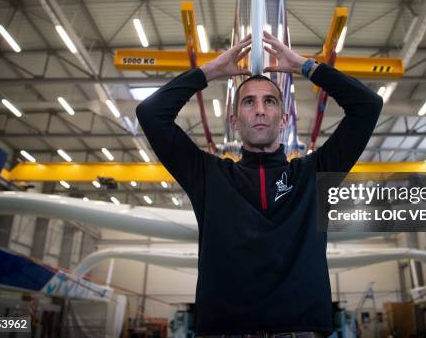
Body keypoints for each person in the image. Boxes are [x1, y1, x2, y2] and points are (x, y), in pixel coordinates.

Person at [136, 31, 383, 336]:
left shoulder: (315, 174)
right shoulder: (208, 177)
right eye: (248, 102)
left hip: (301, 331)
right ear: (234, 119)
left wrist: (305, 66)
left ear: (283, 119)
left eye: (269, 101)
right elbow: (150, 114)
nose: (260, 109)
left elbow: (368, 106)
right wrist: (211, 71)